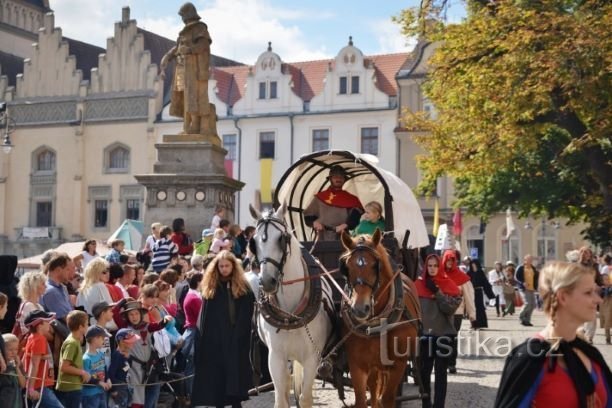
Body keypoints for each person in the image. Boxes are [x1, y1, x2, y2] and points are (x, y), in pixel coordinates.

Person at [495, 261, 611, 407]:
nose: (598, 299)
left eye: (596, 292)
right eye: (588, 292)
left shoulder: (590, 353)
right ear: (562, 297)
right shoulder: (530, 359)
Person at [192, 250, 255, 407]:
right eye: (221, 266)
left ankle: (235, 402)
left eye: (227, 266)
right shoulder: (211, 288)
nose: (224, 269)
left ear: (233, 266)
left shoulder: (243, 288)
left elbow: (247, 314)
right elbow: (205, 318)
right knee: (217, 378)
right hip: (215, 341)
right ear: (217, 267)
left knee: (235, 375)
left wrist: (239, 334)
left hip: (236, 339)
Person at [160, 2, 214, 137]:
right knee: (185, 97)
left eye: (183, 15)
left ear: (188, 14)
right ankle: (187, 125)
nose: (182, 19)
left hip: (194, 70)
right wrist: (168, 56)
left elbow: (203, 45)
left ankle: (195, 124)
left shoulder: (200, 28)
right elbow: (177, 47)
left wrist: (189, 50)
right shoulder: (185, 32)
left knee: (193, 97)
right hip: (182, 69)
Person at [416, 254, 462, 408]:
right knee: (424, 373)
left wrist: (437, 291)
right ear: (426, 267)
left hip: (444, 335)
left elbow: (449, 309)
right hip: (426, 335)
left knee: (441, 373)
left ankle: (439, 405)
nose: (432, 268)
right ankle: (426, 404)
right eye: (429, 265)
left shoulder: (450, 286)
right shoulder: (418, 285)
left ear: (440, 266)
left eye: (435, 265)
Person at [304, 165, 364, 240]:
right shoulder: (320, 197)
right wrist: (314, 223)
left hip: (342, 237)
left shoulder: (351, 199)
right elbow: (308, 216)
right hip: (322, 236)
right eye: (335, 177)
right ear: (331, 179)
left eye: (341, 177)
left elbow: (355, 217)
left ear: (344, 180)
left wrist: (346, 225)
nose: (338, 179)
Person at [440, 250, 475, 374]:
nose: (449, 263)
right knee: (441, 337)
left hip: (457, 313)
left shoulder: (462, 277)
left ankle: (451, 363)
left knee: (452, 338)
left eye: (452, 260)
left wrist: (472, 314)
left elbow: (469, 296)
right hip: (441, 312)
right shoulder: (438, 275)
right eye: (447, 260)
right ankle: (442, 362)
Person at [23, 310, 62, 408]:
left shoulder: (32, 337)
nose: (49, 324)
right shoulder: (40, 339)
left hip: (40, 385)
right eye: (47, 322)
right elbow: (34, 364)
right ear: (39, 325)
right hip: (40, 386)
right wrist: (31, 388)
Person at [55, 310, 90, 408]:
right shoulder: (72, 343)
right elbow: (64, 367)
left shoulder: (75, 340)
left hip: (74, 386)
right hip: (70, 388)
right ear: (80, 327)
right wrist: (83, 373)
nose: (88, 326)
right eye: (86, 324)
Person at [181, 271, 204, 400]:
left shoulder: (193, 295)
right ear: (198, 282)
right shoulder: (194, 298)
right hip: (194, 332)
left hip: (193, 331)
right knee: (191, 367)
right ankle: (191, 394)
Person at [76, 258, 115, 328]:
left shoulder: (81, 291)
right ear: (96, 273)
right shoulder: (100, 286)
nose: (108, 274)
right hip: (102, 328)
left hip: (87, 329)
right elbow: (109, 308)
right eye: (104, 272)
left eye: (108, 270)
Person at [82, 326, 112, 408]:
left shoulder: (101, 355)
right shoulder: (86, 359)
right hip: (90, 396)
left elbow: (104, 369)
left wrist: (108, 379)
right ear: (95, 339)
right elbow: (86, 379)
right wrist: (100, 382)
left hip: (101, 392)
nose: (104, 341)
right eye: (102, 338)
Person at [109, 328, 140, 408]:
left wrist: (129, 358)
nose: (133, 343)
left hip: (125, 385)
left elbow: (128, 366)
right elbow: (111, 373)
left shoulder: (126, 354)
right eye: (131, 341)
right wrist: (113, 390)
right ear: (122, 341)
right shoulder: (117, 355)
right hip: (119, 387)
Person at [40, 253, 74, 322]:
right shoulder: (51, 291)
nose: (70, 272)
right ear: (58, 270)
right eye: (67, 269)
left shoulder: (62, 287)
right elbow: (68, 319)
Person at [0, 333, 26, 408]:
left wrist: (17, 367)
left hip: (16, 404)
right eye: (10, 349)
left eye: (16, 349)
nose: (14, 352)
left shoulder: (16, 366)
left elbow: (23, 384)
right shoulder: (2, 367)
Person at [469, 259, 495, 329]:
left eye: (474, 265)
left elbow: (485, 283)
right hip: (471, 292)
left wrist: (490, 294)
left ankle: (480, 323)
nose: (473, 266)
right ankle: (473, 324)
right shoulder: (469, 273)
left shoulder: (480, 272)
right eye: (472, 265)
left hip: (478, 291)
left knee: (479, 308)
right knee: (472, 308)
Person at [515, 254, 539, 326]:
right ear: (525, 260)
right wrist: (523, 283)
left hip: (531, 288)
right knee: (527, 303)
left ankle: (527, 320)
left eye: (531, 260)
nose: (530, 261)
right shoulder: (521, 267)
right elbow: (516, 277)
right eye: (529, 259)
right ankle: (521, 317)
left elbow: (535, 278)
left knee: (533, 305)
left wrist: (536, 286)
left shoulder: (533, 268)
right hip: (524, 288)